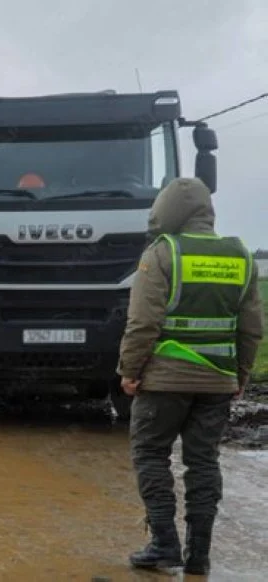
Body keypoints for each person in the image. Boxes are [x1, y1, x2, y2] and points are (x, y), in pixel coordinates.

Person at [117, 177, 263, 574]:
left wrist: (129, 371)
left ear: (166, 211)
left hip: (163, 382)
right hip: (218, 382)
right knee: (203, 462)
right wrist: (241, 375)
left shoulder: (163, 253)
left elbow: (143, 322)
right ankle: (199, 555)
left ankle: (164, 543)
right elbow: (251, 328)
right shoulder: (241, 256)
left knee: (150, 454)